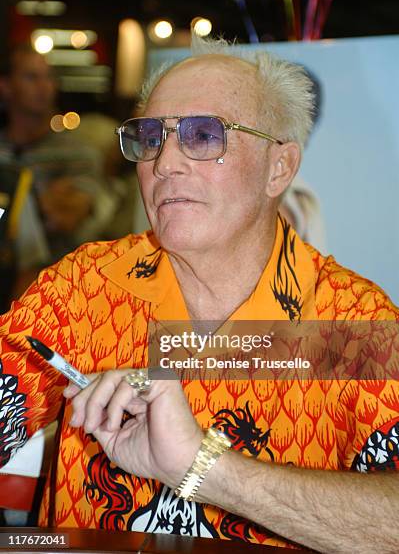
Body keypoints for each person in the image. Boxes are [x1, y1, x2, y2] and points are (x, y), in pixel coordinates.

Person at [0, 35, 398, 551]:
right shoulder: (85, 289)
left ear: (280, 167)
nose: (164, 164)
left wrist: (201, 468)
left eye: (205, 136)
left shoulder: (351, 323)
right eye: (150, 137)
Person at [0, 45, 118, 300]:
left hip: (55, 288)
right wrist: (34, 203)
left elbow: (66, 216)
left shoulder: (79, 153)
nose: (44, 87)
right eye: (31, 77)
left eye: (49, 77)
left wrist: (15, 203)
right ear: (6, 86)